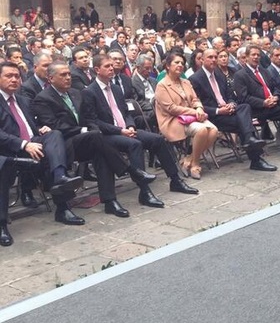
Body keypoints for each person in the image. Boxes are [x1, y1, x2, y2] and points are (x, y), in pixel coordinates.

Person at [33, 61, 163, 216]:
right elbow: (55, 126)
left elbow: (89, 118)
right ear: (50, 78)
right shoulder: (43, 98)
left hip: (87, 139)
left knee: (100, 151)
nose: (68, 77)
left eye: (68, 74)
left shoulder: (75, 93)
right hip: (64, 144)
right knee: (97, 139)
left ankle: (110, 201)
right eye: (63, 75)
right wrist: (85, 130)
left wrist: (91, 129)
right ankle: (131, 171)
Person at [81, 54, 198, 194]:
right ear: (97, 69)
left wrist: (130, 126)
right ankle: (145, 191)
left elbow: (126, 113)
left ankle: (176, 180)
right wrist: (119, 130)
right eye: (107, 66)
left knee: (158, 139)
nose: (112, 68)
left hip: (126, 129)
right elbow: (93, 121)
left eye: (112, 65)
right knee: (135, 144)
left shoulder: (116, 89)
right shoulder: (89, 92)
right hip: (108, 134)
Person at [0, 62, 84, 229]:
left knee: (54, 135)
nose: (14, 79)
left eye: (17, 76)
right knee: (51, 156)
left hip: (34, 144)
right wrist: (24, 144)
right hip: (9, 150)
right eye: (9, 76)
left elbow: (29, 125)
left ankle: (61, 190)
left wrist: (40, 129)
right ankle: (2, 224)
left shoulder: (23, 101)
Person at [190, 49, 277, 172]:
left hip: (228, 111)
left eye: (215, 57)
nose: (214, 60)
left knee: (245, 107)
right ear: (202, 60)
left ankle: (250, 144)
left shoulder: (219, 75)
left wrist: (231, 104)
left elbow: (231, 95)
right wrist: (219, 111)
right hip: (214, 116)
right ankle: (256, 159)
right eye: (210, 57)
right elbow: (198, 105)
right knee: (243, 122)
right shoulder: (195, 79)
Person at [155, 52, 218, 180]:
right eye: (176, 62)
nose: (180, 65)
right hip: (173, 120)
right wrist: (195, 112)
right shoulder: (162, 85)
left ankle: (189, 159)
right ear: (167, 66)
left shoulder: (185, 82)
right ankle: (196, 164)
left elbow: (195, 99)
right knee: (202, 130)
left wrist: (199, 107)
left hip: (191, 117)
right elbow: (171, 108)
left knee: (214, 130)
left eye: (182, 63)